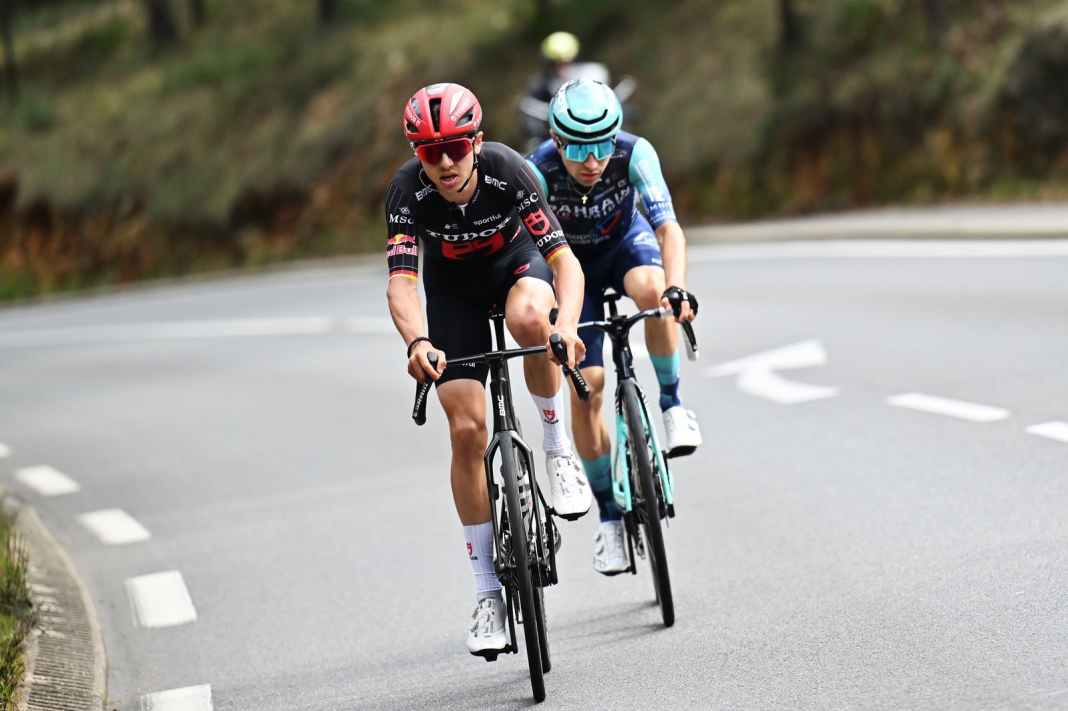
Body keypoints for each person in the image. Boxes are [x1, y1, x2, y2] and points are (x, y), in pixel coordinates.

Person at [385, 82, 592, 657]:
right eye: (430, 152)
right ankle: (487, 594)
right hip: (453, 292)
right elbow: (401, 283)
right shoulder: (406, 191)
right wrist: (417, 341)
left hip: (516, 266)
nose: (445, 163)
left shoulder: (508, 170)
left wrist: (567, 326)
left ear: (476, 142)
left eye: (455, 147)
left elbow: (565, 264)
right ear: (417, 154)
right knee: (467, 429)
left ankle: (557, 449)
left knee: (531, 322)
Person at [525, 79, 702, 576]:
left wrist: (677, 288)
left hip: (625, 244)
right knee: (588, 389)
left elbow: (668, 228)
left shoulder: (634, 153)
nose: (592, 160)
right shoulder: (538, 171)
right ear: (556, 141)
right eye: (579, 148)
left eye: (602, 145)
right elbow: (530, 256)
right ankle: (608, 517)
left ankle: (672, 404)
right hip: (570, 268)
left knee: (653, 290)